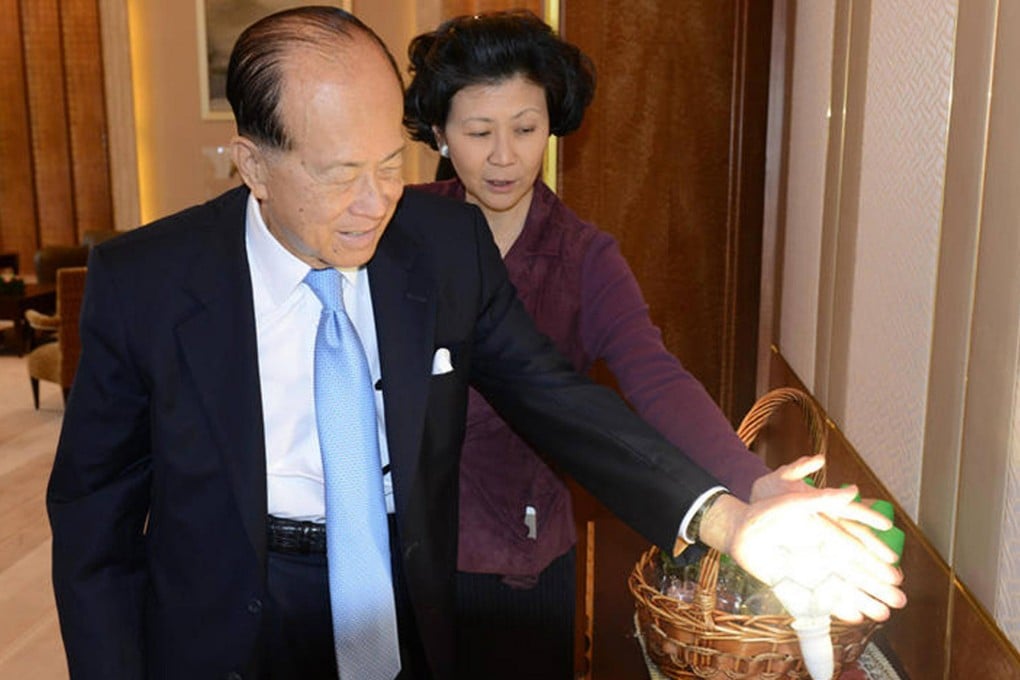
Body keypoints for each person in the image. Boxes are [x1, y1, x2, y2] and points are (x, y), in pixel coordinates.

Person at [47, 6, 905, 680]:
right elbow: (95, 526)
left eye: (390, 164)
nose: (375, 202)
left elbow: (559, 398)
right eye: (339, 174)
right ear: (252, 164)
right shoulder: (147, 282)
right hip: (227, 608)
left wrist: (734, 517)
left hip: (400, 598)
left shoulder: (442, 248)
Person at [403, 11, 782, 677]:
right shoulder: (401, 230)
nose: (504, 156)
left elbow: (655, 377)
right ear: (438, 133)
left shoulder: (582, 256)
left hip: (520, 566)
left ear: (552, 124)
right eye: (478, 131)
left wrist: (749, 484)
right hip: (403, 552)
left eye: (525, 129)